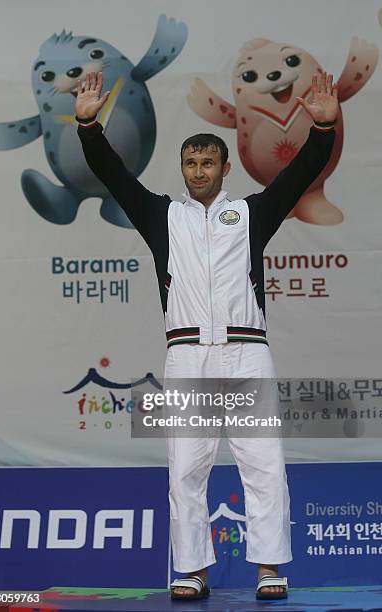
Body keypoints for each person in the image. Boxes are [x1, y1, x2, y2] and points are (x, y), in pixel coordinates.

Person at [75, 70, 337, 600]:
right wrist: (87, 124)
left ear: (224, 167)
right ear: (182, 168)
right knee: (184, 471)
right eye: (190, 163)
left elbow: (299, 174)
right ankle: (192, 569)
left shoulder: (251, 214)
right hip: (188, 358)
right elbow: (114, 174)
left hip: (246, 355)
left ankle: (269, 568)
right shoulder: (161, 216)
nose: (198, 171)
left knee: (263, 465)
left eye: (208, 162)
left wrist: (324, 131)